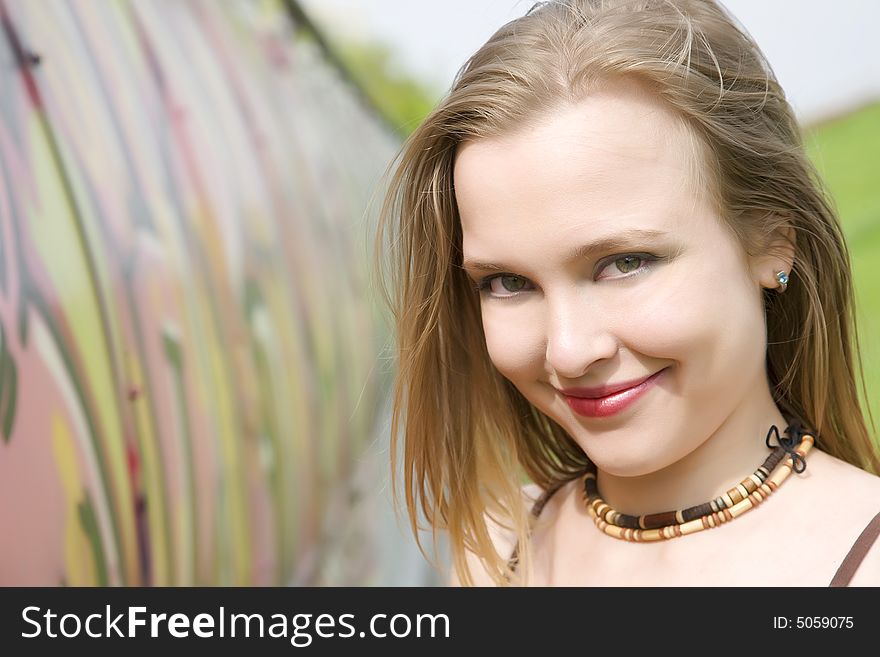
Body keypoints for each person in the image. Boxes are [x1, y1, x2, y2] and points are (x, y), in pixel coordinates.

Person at [373, 0, 880, 586]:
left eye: (625, 263)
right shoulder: (495, 551)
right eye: (508, 283)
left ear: (772, 243)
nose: (567, 351)